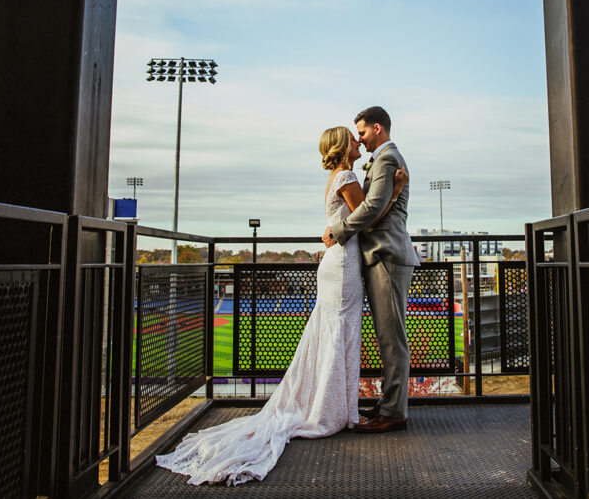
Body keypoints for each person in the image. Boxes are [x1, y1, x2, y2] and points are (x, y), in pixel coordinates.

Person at [155, 126, 408, 486]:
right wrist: (395, 190)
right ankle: (332, 411)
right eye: (353, 138)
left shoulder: (339, 175)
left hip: (338, 262)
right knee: (340, 333)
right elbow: (370, 219)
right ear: (342, 146)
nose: (358, 142)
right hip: (343, 264)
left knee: (336, 333)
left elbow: (356, 216)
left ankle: (334, 407)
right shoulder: (348, 175)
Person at [323, 106, 420, 433]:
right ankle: (389, 403)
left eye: (362, 133)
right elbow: (375, 204)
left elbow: (373, 207)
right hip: (381, 256)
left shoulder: (387, 158)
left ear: (377, 128)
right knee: (387, 336)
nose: (360, 141)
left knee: (392, 338)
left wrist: (339, 231)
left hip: (387, 255)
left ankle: (394, 412)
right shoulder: (381, 159)